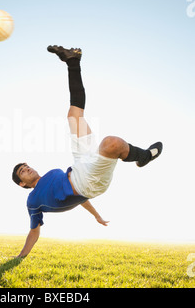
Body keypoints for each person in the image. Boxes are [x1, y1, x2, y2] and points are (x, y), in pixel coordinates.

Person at [12, 45, 163, 258]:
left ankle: (73, 62)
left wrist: (96, 216)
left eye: (25, 166)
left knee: (74, 116)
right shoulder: (34, 201)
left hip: (79, 164)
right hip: (89, 182)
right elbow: (34, 231)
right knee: (113, 143)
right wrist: (20, 256)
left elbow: (81, 201)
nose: (26, 168)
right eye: (22, 172)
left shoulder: (49, 176)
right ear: (22, 184)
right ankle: (144, 157)